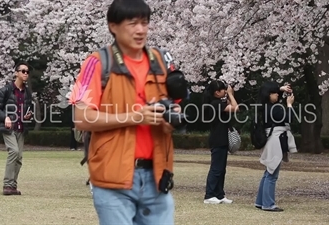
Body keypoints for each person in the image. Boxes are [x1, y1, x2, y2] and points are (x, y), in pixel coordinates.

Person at [69, 0, 180, 224]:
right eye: (132, 23)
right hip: (113, 178)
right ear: (113, 26)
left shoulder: (161, 61)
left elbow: (175, 106)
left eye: (145, 23)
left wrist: (171, 118)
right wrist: (135, 117)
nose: (141, 30)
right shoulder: (96, 63)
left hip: (158, 176)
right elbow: (81, 118)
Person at [254, 81, 298, 212]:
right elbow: (289, 118)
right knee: (272, 174)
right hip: (276, 140)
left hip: (272, 138)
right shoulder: (276, 108)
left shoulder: (265, 106)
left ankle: (260, 201)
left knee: (268, 171)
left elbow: (268, 92)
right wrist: (289, 105)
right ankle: (268, 204)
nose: (277, 95)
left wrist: (280, 89)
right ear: (269, 94)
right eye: (274, 93)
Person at [0, 62, 33, 196]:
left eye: (27, 71)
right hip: (8, 128)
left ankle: (13, 186)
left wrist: (27, 115)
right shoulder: (6, 90)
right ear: (16, 73)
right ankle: (7, 185)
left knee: (19, 157)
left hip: (21, 128)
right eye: (23, 71)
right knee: (14, 151)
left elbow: (26, 109)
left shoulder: (27, 92)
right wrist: (5, 118)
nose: (25, 73)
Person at [202, 80, 239, 204]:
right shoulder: (216, 104)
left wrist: (230, 94)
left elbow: (229, 104)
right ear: (216, 93)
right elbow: (235, 108)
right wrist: (231, 95)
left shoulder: (217, 103)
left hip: (221, 139)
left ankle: (219, 194)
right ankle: (209, 194)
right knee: (216, 168)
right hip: (218, 139)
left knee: (221, 169)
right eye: (222, 89)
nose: (225, 91)